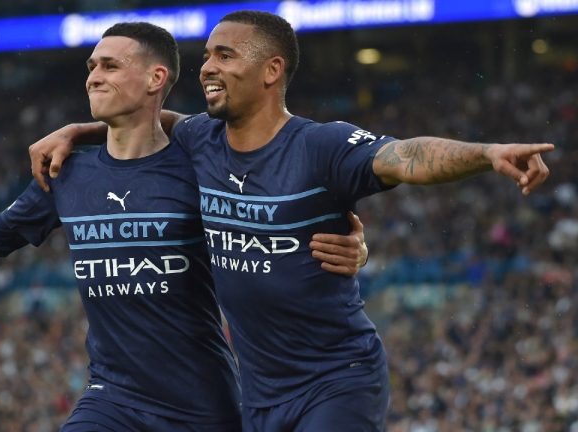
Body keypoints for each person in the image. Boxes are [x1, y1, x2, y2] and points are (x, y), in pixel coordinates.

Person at [0, 22, 369, 432]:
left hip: (203, 402)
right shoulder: (67, 171)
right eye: (90, 66)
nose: (93, 75)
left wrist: (354, 244)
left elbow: (273, 215)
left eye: (108, 65)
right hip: (112, 397)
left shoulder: (200, 162)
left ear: (156, 78)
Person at [27, 11, 554, 431]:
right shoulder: (200, 139)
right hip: (259, 397)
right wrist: (77, 130)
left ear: (271, 70)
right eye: (207, 54)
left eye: (224, 55)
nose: (207, 67)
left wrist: (487, 152)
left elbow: (405, 155)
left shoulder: (319, 146)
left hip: (336, 381)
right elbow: (147, 120)